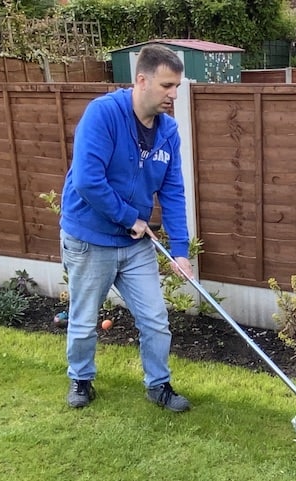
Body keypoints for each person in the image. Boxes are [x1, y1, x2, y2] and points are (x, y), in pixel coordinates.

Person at [60, 44, 193, 411]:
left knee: (155, 319)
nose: (173, 94)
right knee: (85, 321)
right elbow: (88, 180)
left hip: (135, 245)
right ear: (142, 80)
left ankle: (159, 385)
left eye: (177, 86)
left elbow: (173, 191)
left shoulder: (168, 132)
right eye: (167, 85)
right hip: (90, 238)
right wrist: (128, 217)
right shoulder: (103, 115)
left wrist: (180, 250)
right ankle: (81, 379)